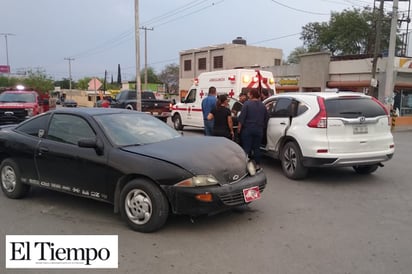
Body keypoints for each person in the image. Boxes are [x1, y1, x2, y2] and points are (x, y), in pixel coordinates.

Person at [237, 88, 269, 169]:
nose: (248, 95)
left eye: (249, 93)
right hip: (259, 130)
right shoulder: (263, 105)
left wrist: (239, 129)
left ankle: (245, 165)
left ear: (251, 95)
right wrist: (262, 127)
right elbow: (266, 118)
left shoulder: (247, 104)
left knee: (246, 148)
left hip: (248, 129)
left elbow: (242, 118)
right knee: (257, 148)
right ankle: (257, 165)